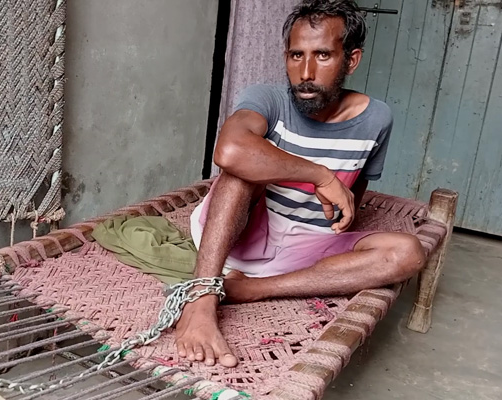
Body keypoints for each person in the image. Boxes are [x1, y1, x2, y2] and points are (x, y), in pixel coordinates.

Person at [174, 0, 427, 368]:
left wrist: (339, 225)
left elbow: (353, 195)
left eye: (323, 55)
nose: (305, 72)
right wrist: (320, 175)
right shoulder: (268, 99)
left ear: (351, 60)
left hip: (306, 249)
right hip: (240, 236)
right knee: (241, 170)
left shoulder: (377, 119)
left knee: (408, 253)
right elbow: (229, 150)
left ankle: (253, 289)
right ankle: (201, 299)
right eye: (296, 56)